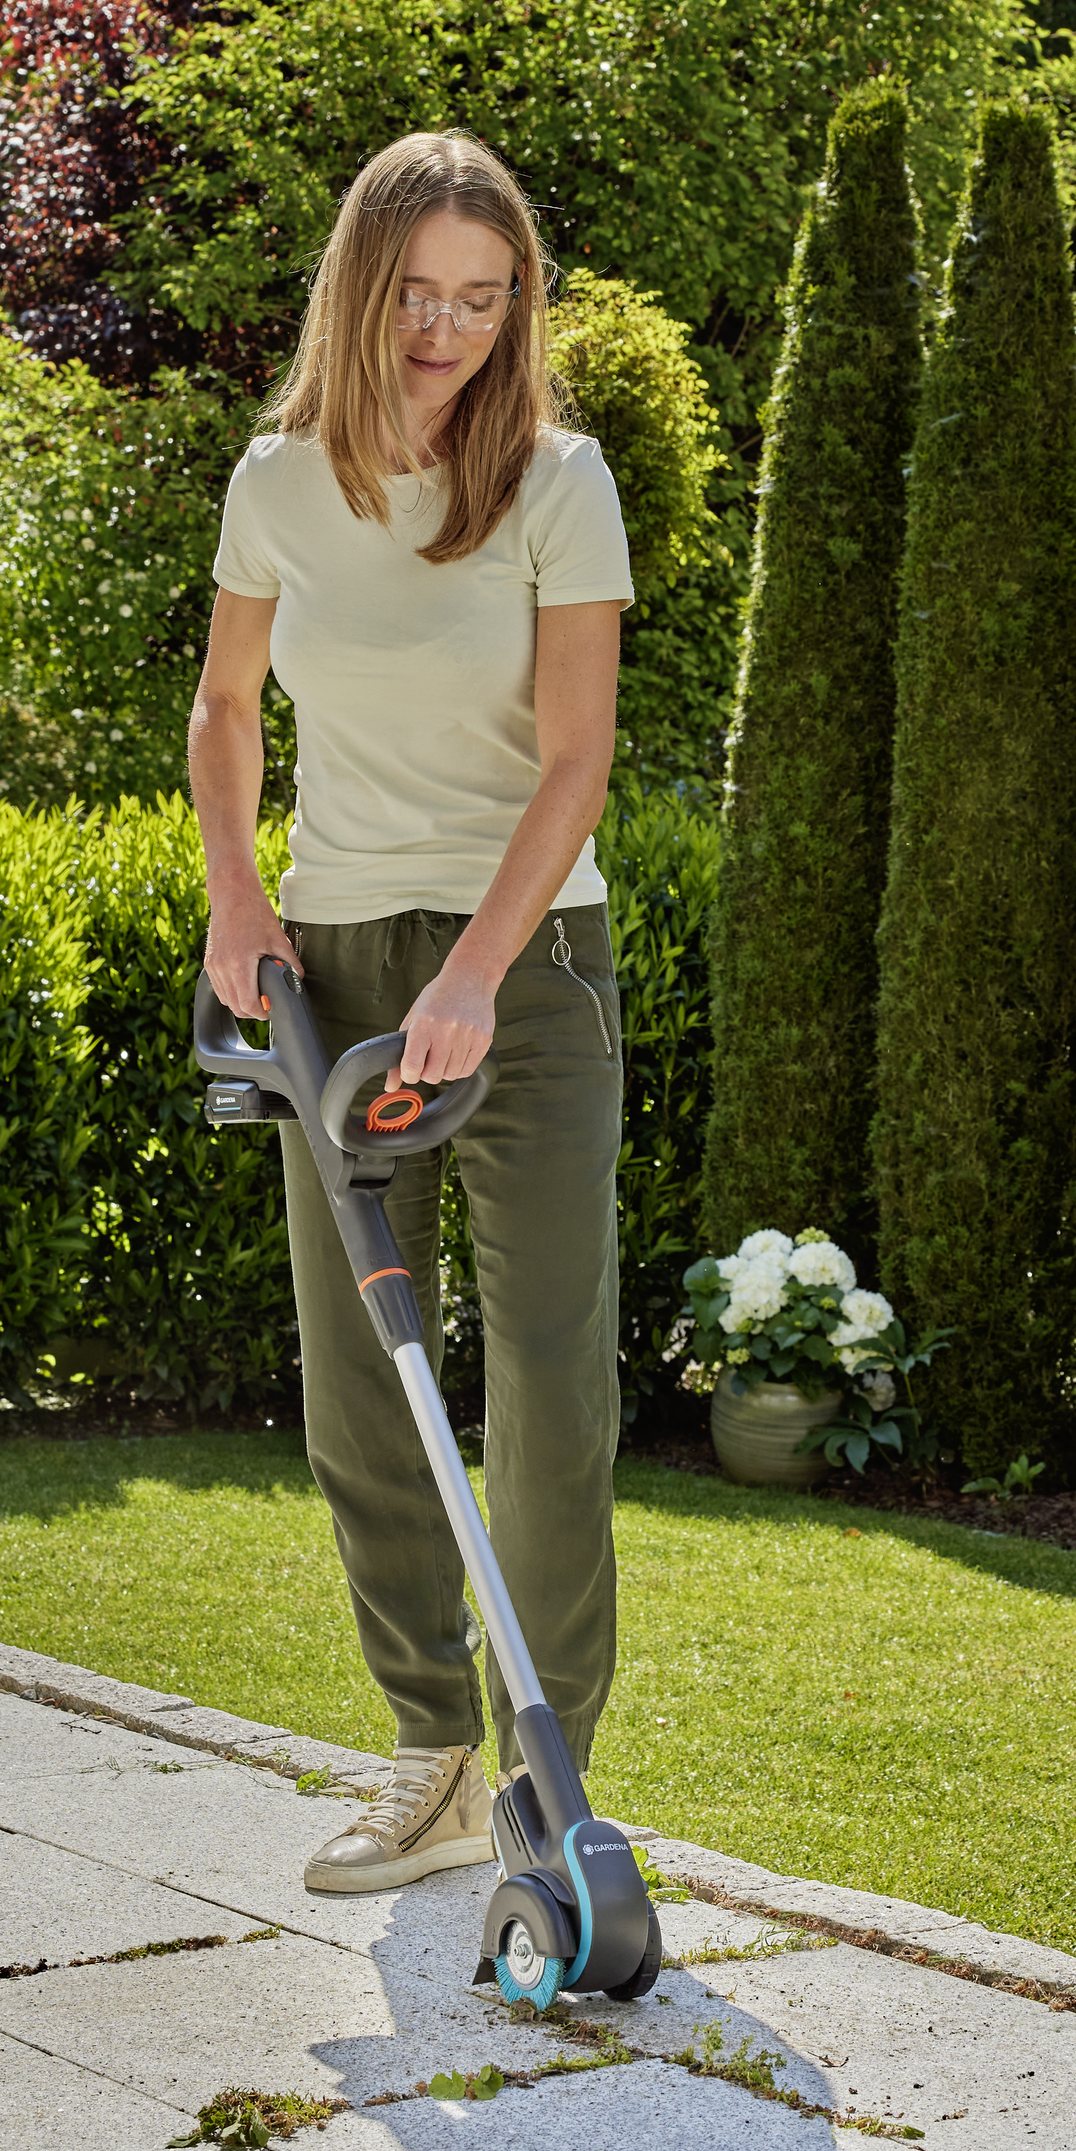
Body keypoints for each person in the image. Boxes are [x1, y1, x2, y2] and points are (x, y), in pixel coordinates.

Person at [185, 130, 633, 1895]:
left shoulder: (558, 483)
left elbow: (580, 758)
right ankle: (431, 1753)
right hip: (330, 961)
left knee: (540, 1378)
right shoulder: (280, 481)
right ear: (363, 289)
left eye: (485, 293)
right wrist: (239, 898)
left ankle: (549, 1777)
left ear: (517, 302)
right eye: (420, 294)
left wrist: (474, 978)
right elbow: (228, 709)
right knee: (363, 1391)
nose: (448, 326)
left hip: (526, 970)